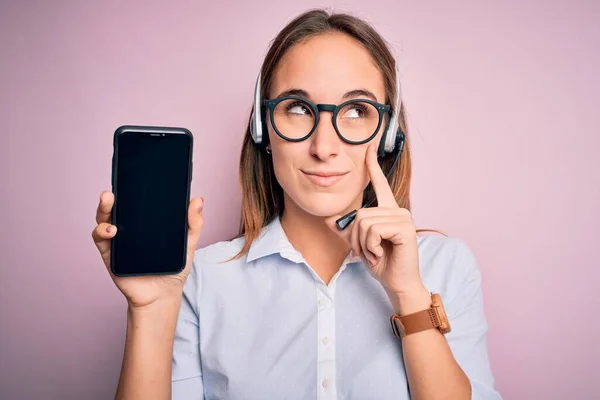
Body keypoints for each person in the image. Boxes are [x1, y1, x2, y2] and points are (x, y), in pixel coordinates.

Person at [92, 8, 501, 400]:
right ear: (262, 128)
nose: (324, 147)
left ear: (389, 134)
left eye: (357, 110)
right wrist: (149, 311)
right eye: (299, 109)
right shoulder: (200, 280)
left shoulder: (446, 266)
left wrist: (409, 295)